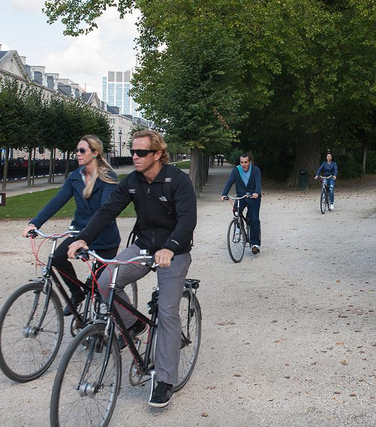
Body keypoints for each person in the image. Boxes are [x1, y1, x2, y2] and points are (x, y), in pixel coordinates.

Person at [67, 130, 197, 409]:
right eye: (133, 151)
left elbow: (187, 219)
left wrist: (171, 247)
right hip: (143, 247)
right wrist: (83, 238)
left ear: (158, 154)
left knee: (167, 309)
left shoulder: (178, 181)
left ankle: (164, 380)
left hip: (174, 251)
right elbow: (107, 211)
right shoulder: (133, 181)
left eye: (141, 153)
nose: (134, 157)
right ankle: (134, 323)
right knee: (103, 281)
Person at [24, 135, 120, 315]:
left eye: (82, 150)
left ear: (95, 153)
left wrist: (87, 234)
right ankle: (77, 293)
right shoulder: (76, 177)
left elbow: (106, 211)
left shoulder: (108, 177)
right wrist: (35, 223)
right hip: (80, 233)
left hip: (104, 237)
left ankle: (98, 329)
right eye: (77, 150)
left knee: (98, 287)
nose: (78, 153)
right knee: (58, 258)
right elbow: (57, 200)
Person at [221, 153, 262, 252]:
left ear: (249, 162)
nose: (244, 164)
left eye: (246, 162)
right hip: (241, 196)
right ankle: (238, 227)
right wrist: (224, 194)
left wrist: (256, 192)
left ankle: (255, 244)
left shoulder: (255, 170)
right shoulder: (236, 170)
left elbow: (258, 182)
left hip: (253, 196)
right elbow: (230, 181)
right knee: (236, 212)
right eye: (242, 162)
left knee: (254, 219)